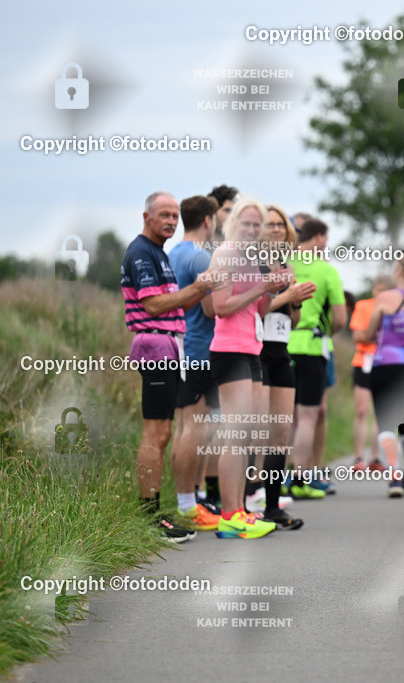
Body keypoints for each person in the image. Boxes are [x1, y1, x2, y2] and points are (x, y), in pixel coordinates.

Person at [120, 191, 223, 543]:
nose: (170, 221)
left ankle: (155, 512)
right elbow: (153, 305)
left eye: (175, 216)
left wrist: (202, 288)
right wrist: (198, 287)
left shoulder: (159, 253)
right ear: (146, 216)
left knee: (163, 432)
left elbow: (177, 302)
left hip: (168, 345)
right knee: (156, 432)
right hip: (155, 343)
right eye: (163, 215)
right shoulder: (142, 253)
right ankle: (150, 515)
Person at [209, 198, 289, 539]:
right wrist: (261, 286)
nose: (254, 230)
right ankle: (229, 515)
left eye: (258, 225)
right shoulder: (225, 255)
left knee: (246, 437)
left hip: (252, 348)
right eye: (247, 224)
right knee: (235, 435)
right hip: (229, 350)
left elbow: (258, 310)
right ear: (233, 225)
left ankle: (240, 509)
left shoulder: (253, 258)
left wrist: (274, 287)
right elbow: (221, 307)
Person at [248, 205, 314, 529]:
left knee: (280, 433)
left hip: (280, 349)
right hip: (255, 350)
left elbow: (293, 319)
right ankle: (246, 501)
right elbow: (251, 310)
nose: (275, 230)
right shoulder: (252, 262)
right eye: (270, 224)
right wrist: (287, 292)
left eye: (280, 225)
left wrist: (296, 299)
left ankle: (273, 506)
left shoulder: (286, 264)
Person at [355, 260, 404, 497]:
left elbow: (368, 333)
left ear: (398, 272)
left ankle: (394, 478)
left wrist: (362, 335)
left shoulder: (385, 298)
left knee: (386, 422)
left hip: (385, 363)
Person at [168, 195, 222, 531]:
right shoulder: (200, 256)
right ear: (207, 220)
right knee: (193, 427)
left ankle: (190, 501)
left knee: (187, 426)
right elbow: (211, 309)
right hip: (198, 348)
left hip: (179, 347)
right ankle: (187, 505)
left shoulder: (173, 252)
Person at [285, 218, 347, 498]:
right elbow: (340, 318)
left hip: (281, 344)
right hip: (311, 346)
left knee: (286, 417)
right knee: (308, 417)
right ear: (319, 238)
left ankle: (280, 476)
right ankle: (300, 477)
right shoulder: (326, 270)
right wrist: (326, 332)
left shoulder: (285, 264)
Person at [348, 275, 393, 472]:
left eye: (385, 290)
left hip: (386, 362)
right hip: (364, 362)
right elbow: (358, 336)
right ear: (373, 289)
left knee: (379, 413)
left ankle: (375, 458)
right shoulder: (364, 306)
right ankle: (358, 457)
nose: (381, 293)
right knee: (361, 410)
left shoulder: (394, 308)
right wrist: (377, 334)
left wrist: (370, 334)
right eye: (378, 289)